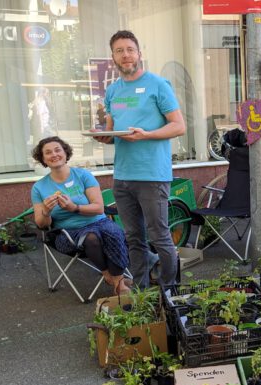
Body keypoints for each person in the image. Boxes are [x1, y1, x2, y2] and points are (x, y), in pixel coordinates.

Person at [93, 30, 186, 289]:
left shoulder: (158, 85)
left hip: (151, 175)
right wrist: (104, 137)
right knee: (133, 238)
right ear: (113, 56)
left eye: (130, 49)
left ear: (139, 53)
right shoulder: (112, 91)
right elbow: (113, 131)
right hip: (122, 176)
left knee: (159, 236)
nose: (125, 55)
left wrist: (147, 135)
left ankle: (170, 291)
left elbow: (179, 126)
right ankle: (143, 292)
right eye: (119, 51)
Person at [30, 136, 132, 295]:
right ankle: (108, 275)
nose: (54, 155)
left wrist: (74, 207)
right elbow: (41, 224)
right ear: (43, 159)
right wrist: (46, 211)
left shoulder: (83, 175)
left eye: (58, 150)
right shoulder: (39, 187)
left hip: (99, 222)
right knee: (91, 237)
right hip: (67, 232)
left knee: (113, 233)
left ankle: (118, 281)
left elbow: (99, 208)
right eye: (48, 152)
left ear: (65, 153)